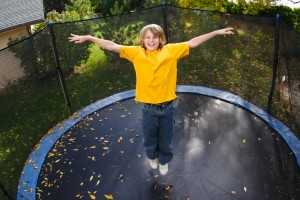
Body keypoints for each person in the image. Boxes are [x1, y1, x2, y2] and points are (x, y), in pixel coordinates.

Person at [69, 24, 234, 175]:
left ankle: (164, 161)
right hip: (148, 108)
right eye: (147, 37)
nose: (151, 40)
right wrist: (90, 38)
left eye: (155, 37)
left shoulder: (170, 50)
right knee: (149, 138)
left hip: (167, 107)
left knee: (166, 139)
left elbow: (192, 43)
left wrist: (215, 32)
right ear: (142, 40)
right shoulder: (136, 53)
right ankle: (152, 157)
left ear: (161, 39)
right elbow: (112, 45)